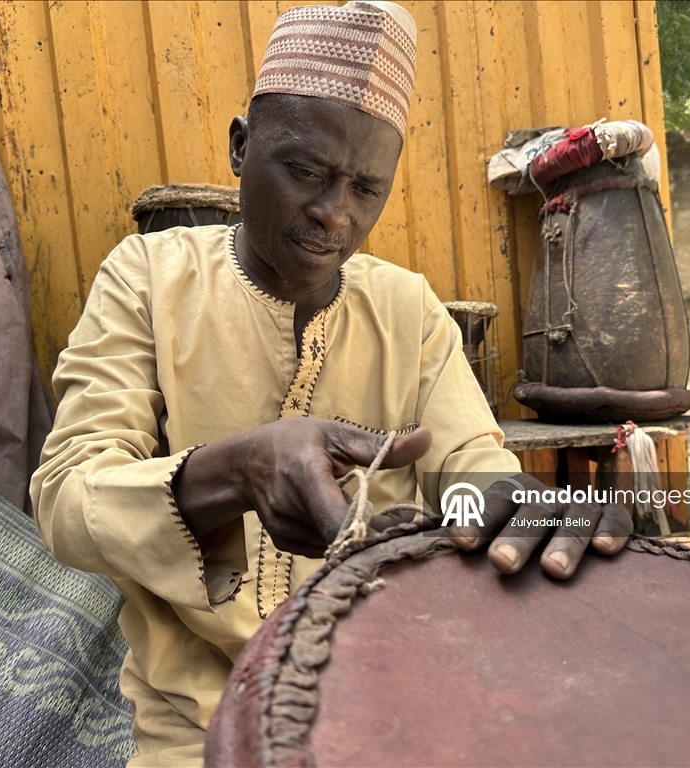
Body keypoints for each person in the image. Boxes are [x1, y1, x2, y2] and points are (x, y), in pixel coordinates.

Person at [31, 2, 631, 765]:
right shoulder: (147, 277)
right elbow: (68, 500)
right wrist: (237, 470)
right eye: (305, 172)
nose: (334, 216)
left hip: (390, 707)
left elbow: (471, 465)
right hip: (200, 728)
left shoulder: (408, 309)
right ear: (241, 147)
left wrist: (516, 504)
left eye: (366, 189)